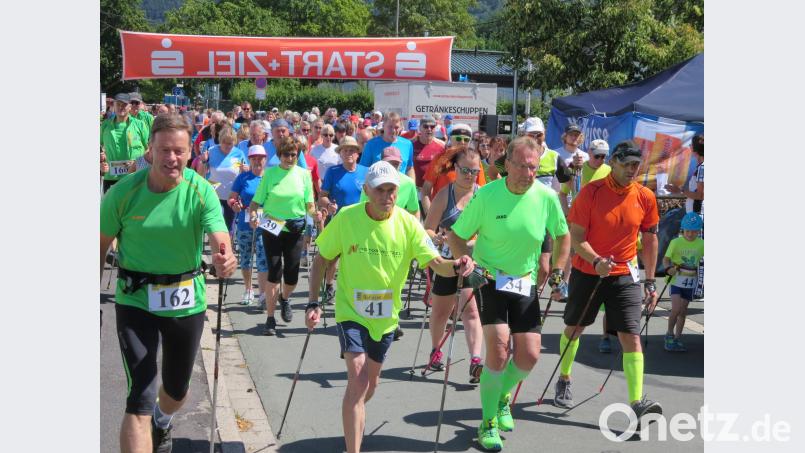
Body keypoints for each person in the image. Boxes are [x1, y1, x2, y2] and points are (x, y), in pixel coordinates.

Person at [304, 160, 475, 453]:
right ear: (368, 191)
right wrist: (313, 301)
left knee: (369, 385)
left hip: (385, 317)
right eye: (381, 190)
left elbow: (436, 264)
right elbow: (321, 259)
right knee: (357, 379)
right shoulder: (347, 218)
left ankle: (353, 407)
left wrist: (457, 265)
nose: (387, 196)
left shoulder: (408, 224)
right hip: (351, 311)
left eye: (392, 190)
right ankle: (352, 445)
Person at [100, 113, 237, 453]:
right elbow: (98, 247)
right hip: (136, 301)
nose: (171, 158)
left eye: (178, 151)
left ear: (190, 152)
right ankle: (150, 419)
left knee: (176, 391)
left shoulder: (200, 190)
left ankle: (164, 418)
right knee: (141, 394)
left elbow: (220, 236)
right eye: (164, 150)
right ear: (150, 150)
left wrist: (225, 258)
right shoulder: (123, 193)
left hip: (185, 300)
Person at [446, 136, 570, 451]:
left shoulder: (545, 196)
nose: (530, 173)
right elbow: (457, 235)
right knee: (499, 352)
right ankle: (487, 423)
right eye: (524, 167)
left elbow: (562, 235)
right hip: (488, 277)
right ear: (508, 164)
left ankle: (501, 395)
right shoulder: (487, 195)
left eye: (535, 167)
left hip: (524, 281)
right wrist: (466, 260)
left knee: (529, 355)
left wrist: (556, 270)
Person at [555, 140, 662, 425]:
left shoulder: (645, 196)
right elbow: (576, 238)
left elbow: (650, 240)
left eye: (635, 165)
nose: (631, 169)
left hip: (625, 275)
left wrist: (651, 282)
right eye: (626, 164)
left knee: (631, 335)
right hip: (588, 271)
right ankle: (564, 377)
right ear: (612, 162)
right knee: (575, 328)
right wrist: (595, 261)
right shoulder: (591, 193)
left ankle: (636, 403)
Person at [423, 146, 484, 383]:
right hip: (448, 262)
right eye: (465, 170)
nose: (469, 175)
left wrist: (475, 240)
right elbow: (428, 227)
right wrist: (436, 236)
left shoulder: (483, 195)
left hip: (474, 261)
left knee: (470, 311)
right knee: (441, 311)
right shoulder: (444, 194)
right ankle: (436, 349)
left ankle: (475, 359)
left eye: (474, 171)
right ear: (455, 169)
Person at [248, 137, 320, 336]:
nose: (290, 158)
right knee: (274, 272)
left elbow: (310, 205)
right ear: (279, 155)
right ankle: (270, 319)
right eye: (286, 154)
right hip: (272, 226)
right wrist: (253, 215)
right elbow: (255, 203)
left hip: (295, 227)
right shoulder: (270, 174)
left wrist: (316, 215)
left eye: (294, 155)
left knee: (292, 275)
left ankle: (284, 298)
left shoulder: (304, 175)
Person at [558, 139, 614, 352]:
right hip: (579, 225)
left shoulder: (609, 171)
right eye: (597, 155)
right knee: (574, 260)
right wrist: (566, 215)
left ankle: (606, 335)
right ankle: (566, 289)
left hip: (600, 229)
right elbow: (563, 193)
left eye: (604, 156)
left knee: (605, 275)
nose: (600, 160)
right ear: (589, 153)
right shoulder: (576, 170)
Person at [318, 136, 369, 303]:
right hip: (338, 220)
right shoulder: (333, 172)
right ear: (340, 153)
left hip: (361, 222)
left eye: (352, 150)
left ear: (357, 154)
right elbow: (322, 197)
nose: (348, 153)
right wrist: (329, 205)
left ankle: (355, 287)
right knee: (332, 258)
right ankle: (329, 286)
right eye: (345, 150)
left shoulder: (366, 171)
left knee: (357, 257)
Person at [229, 145, 270, 306]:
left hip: (265, 224)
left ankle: (263, 294)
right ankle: (248, 289)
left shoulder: (270, 177)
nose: (257, 161)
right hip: (245, 224)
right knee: (246, 259)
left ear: (265, 160)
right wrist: (235, 205)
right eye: (254, 158)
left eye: (260, 158)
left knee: (263, 259)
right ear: (249, 160)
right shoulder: (243, 178)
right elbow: (232, 198)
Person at [421, 125, 487, 216]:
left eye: (466, 139)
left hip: (467, 216)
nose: (462, 142)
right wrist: (430, 214)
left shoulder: (475, 161)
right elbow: (426, 190)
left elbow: (481, 192)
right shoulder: (439, 159)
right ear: (450, 139)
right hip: (441, 216)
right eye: (458, 139)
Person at [662, 212, 704, 352]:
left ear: (699, 231)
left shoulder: (702, 244)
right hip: (676, 279)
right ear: (682, 230)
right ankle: (669, 333)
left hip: (690, 281)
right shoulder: (676, 242)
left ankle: (677, 338)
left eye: (694, 231)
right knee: (676, 308)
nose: (690, 234)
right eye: (687, 231)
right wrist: (668, 268)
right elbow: (666, 259)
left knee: (683, 310)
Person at [198, 126, 248, 231]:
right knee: (216, 223)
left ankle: (227, 245)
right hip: (214, 193)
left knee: (229, 225)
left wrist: (246, 170)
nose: (227, 146)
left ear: (234, 142)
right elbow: (201, 174)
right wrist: (203, 161)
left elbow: (244, 175)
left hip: (231, 195)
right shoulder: (211, 151)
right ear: (220, 140)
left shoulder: (239, 153)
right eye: (224, 142)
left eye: (230, 143)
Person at [100, 93, 149, 193]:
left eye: (124, 105)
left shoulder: (140, 125)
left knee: (135, 208)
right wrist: (101, 163)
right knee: (111, 208)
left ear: (130, 107)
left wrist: (138, 164)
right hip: (111, 177)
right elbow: (100, 148)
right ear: (114, 106)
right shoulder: (105, 125)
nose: (121, 107)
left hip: (135, 177)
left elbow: (149, 148)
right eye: (118, 104)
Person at [359, 147, 420, 219]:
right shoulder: (371, 182)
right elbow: (362, 207)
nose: (392, 168)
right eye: (388, 164)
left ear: (400, 165)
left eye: (396, 164)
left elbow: (414, 210)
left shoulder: (409, 183)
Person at [359, 112, 416, 180]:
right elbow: (363, 169)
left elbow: (409, 168)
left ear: (401, 127)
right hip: (379, 188)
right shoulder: (371, 144)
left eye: (396, 127)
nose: (393, 130)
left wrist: (412, 186)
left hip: (401, 187)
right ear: (383, 126)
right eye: (390, 127)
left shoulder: (407, 144)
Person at [665, 134, 704, 219]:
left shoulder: (702, 168)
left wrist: (680, 190)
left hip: (697, 213)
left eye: (691, 145)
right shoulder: (700, 167)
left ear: (695, 149)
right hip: (695, 213)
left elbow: (700, 195)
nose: (689, 146)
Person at [411, 115, 446, 192]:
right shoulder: (411, 144)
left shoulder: (442, 146)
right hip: (415, 189)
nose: (429, 129)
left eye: (432, 126)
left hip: (433, 190)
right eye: (426, 126)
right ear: (420, 128)